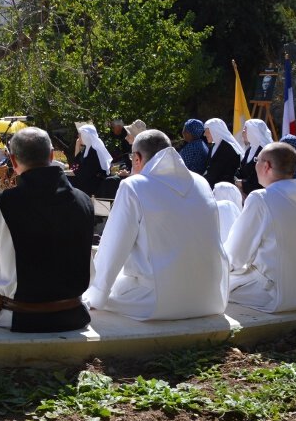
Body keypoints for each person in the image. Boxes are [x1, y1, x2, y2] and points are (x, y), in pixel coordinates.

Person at [0, 128, 94, 332]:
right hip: (72, 313)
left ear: (13, 160)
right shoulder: (84, 201)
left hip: (20, 315)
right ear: (51, 155)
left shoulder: (5, 203)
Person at [83, 130, 228, 320]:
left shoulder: (134, 186)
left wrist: (95, 296)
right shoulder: (201, 182)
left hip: (158, 301)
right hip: (211, 297)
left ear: (137, 158)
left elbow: (113, 248)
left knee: (96, 288)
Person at [225, 142, 296, 313]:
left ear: (266, 166)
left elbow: (236, 256)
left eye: (257, 160)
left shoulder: (261, 198)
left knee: (214, 283)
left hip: (276, 293)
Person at [70, 123, 112, 197]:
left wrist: (75, 169)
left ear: (86, 135)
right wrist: (77, 146)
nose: (78, 136)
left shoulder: (94, 152)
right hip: (88, 187)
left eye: (80, 134)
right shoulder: (87, 149)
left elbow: (81, 173)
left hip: (95, 190)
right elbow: (75, 166)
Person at [236, 119, 273, 196]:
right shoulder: (250, 150)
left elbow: (260, 180)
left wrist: (242, 183)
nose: (242, 133)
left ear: (253, 132)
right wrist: (235, 178)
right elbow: (242, 169)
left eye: (245, 130)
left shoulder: (266, 152)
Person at [203, 117, 243, 189]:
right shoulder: (214, 146)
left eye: (207, 131)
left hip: (225, 189)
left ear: (215, 131)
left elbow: (215, 172)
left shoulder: (228, 148)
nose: (204, 134)